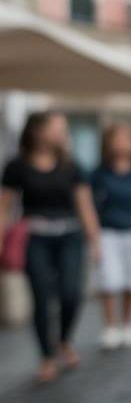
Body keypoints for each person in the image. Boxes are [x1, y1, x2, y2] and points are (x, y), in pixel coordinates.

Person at [0, 111, 101, 383]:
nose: (62, 133)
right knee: (41, 297)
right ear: (37, 131)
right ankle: (46, 357)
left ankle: (64, 340)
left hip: (70, 235)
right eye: (57, 128)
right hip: (36, 237)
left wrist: (95, 241)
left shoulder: (71, 165)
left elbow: (85, 205)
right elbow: (4, 207)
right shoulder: (17, 166)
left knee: (71, 294)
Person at [91, 124, 131, 350]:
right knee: (110, 280)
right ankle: (110, 325)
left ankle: (127, 323)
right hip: (108, 231)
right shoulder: (99, 173)